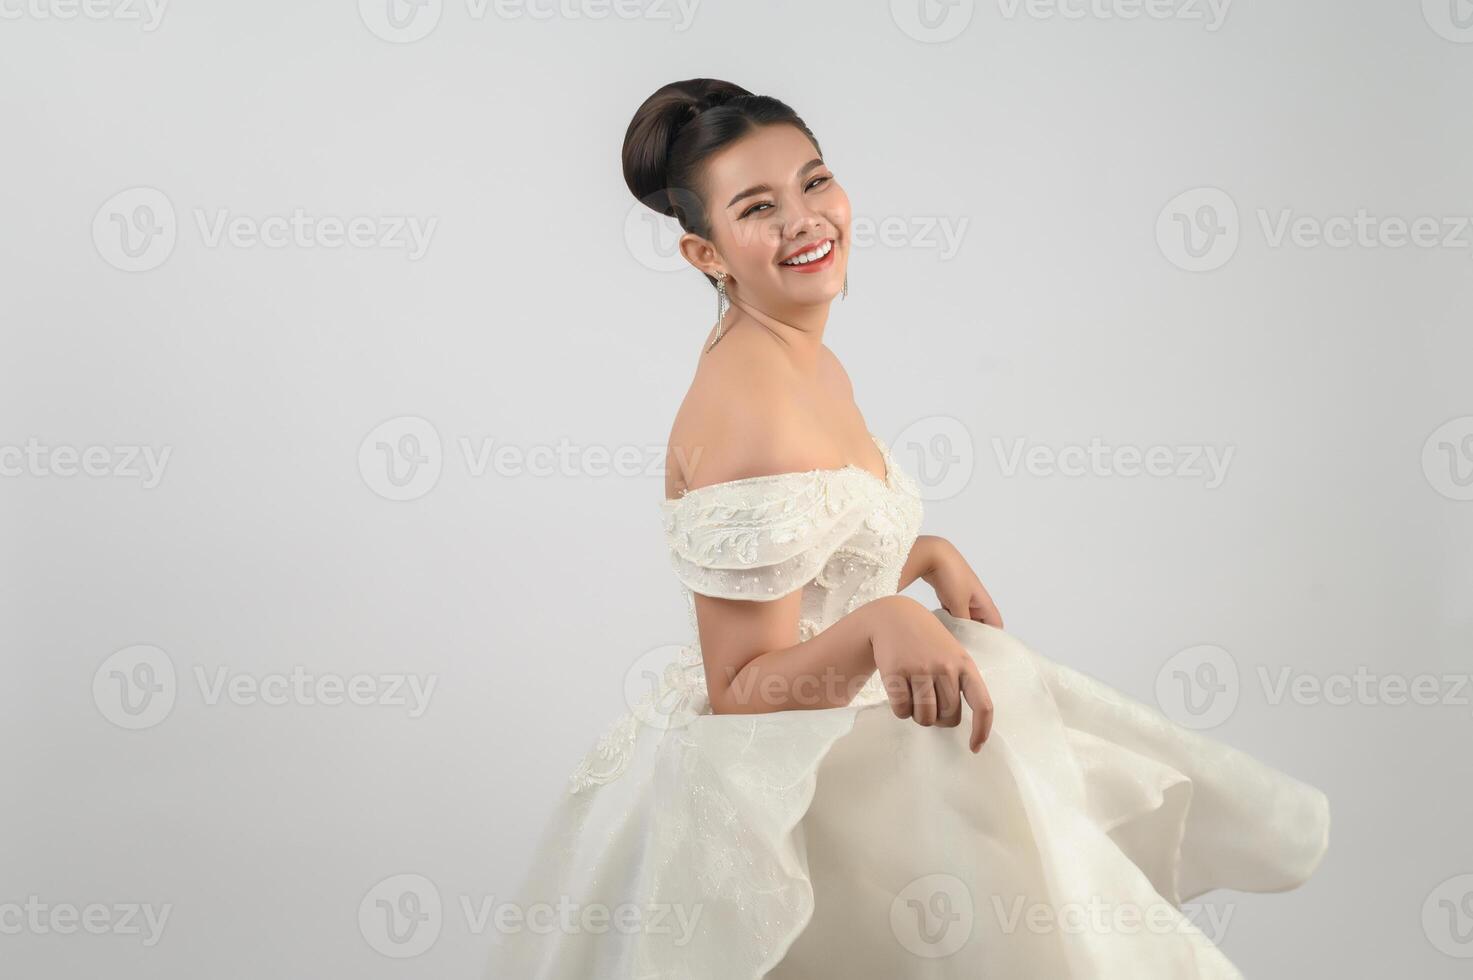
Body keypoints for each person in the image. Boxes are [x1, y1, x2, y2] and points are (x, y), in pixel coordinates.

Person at [484, 77, 1329, 980]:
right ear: (706, 252)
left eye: (815, 182)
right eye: (758, 207)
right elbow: (739, 692)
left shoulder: (799, 352)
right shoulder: (748, 410)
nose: (808, 220)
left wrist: (918, 554)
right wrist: (883, 623)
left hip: (865, 736)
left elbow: (811, 555)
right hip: (791, 802)